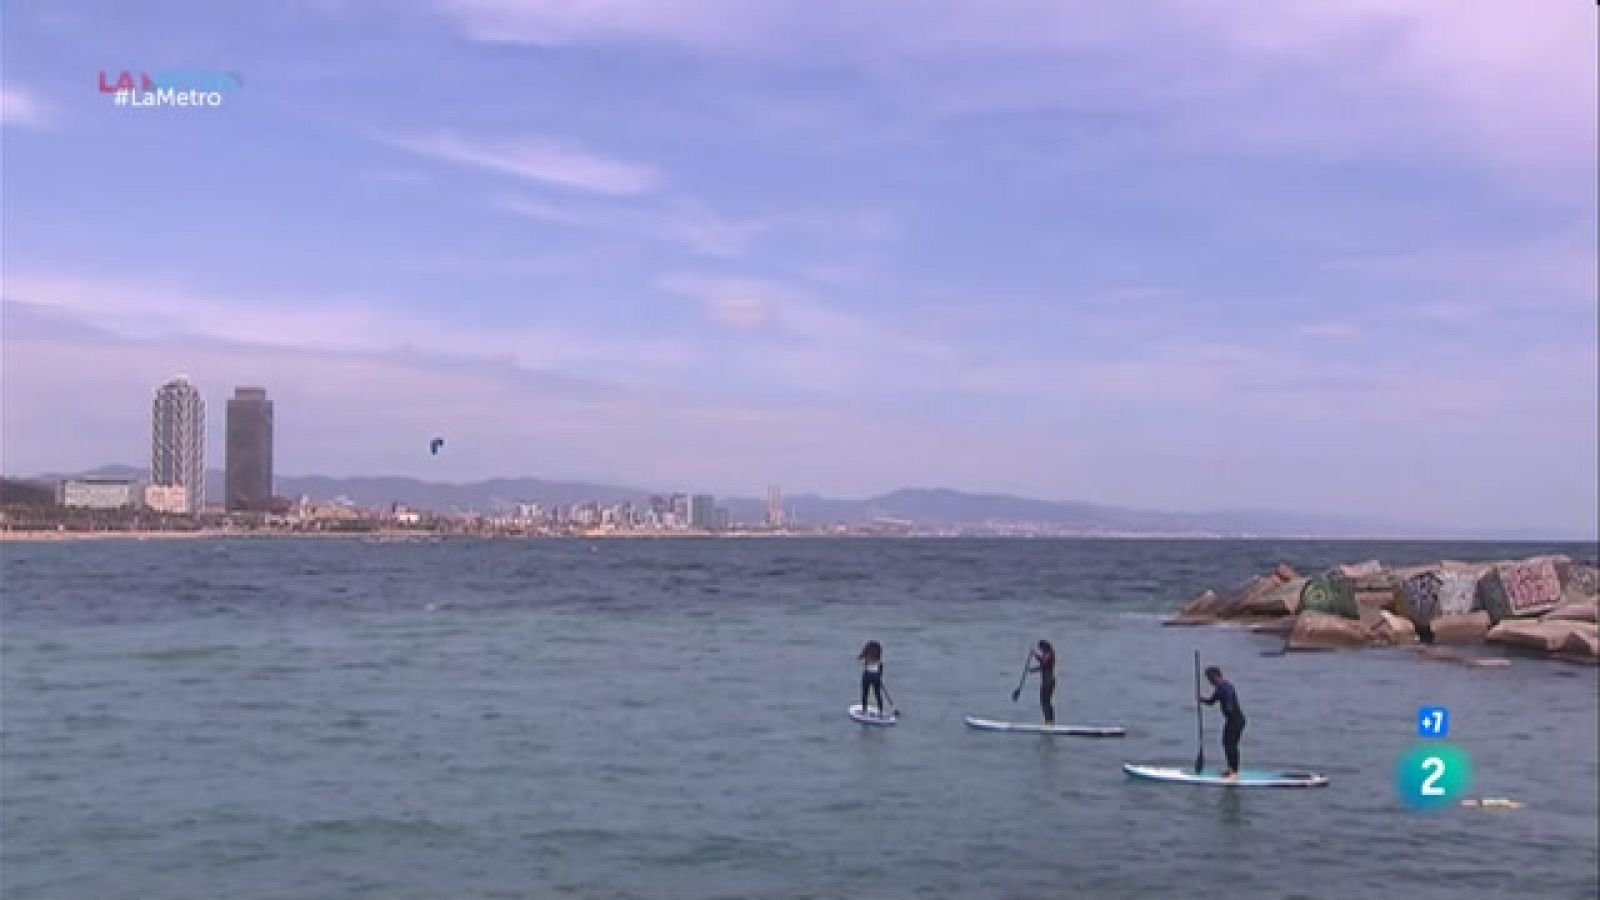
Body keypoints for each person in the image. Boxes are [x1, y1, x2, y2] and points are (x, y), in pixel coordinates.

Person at [1200, 665, 1246, 780]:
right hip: (1231, 720)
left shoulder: (1226, 687)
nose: (1209, 681)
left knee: (1231, 745)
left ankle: (1235, 773)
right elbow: (1211, 702)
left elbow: (1229, 698)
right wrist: (1201, 699)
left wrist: (1229, 706)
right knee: (1226, 743)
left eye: (1209, 678)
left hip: (1236, 720)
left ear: (1215, 676)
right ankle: (1230, 768)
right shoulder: (1219, 688)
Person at [1028, 640, 1057, 728]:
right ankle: (1049, 722)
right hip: (1047, 681)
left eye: (1040, 648)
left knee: (1045, 702)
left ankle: (1049, 722)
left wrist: (1035, 655)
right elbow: (1043, 665)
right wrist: (1034, 669)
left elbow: (1043, 663)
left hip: (1048, 681)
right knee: (1045, 702)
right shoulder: (1047, 654)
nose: (1040, 650)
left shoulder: (1049, 654)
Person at [858, 640, 887, 717]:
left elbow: (859, 659)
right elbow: (881, 667)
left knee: (865, 693)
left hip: (867, 675)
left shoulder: (866, 654)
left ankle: (864, 711)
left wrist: (862, 656)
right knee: (878, 694)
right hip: (876, 675)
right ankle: (881, 711)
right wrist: (880, 677)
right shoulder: (878, 656)